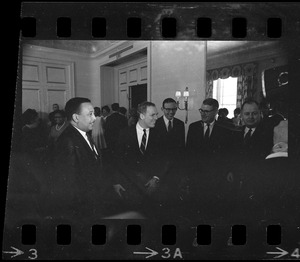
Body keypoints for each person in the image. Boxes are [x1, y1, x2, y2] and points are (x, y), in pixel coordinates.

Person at [49, 97, 114, 222]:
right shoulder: (68, 141)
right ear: (76, 117)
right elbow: (68, 185)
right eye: (90, 114)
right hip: (83, 211)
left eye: (94, 114)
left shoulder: (83, 134)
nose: (94, 118)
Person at [111, 101, 169, 217]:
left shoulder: (160, 134)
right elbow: (117, 159)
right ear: (142, 116)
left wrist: (156, 178)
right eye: (152, 115)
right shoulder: (124, 133)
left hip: (151, 186)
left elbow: (165, 160)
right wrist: (116, 182)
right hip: (129, 185)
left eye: (156, 114)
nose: (156, 118)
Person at [186, 98, 235, 219]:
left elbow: (230, 153)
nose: (203, 113)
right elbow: (188, 153)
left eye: (207, 111)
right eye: (201, 110)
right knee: (196, 211)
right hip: (196, 178)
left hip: (216, 178)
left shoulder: (226, 129)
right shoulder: (193, 127)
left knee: (213, 212)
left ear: (215, 112)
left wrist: (229, 170)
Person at [154, 98, 186, 203]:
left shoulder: (180, 124)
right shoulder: (155, 124)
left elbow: (181, 148)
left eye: (174, 109)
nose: (171, 112)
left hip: (175, 169)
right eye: (168, 109)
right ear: (162, 109)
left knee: (174, 197)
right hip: (159, 169)